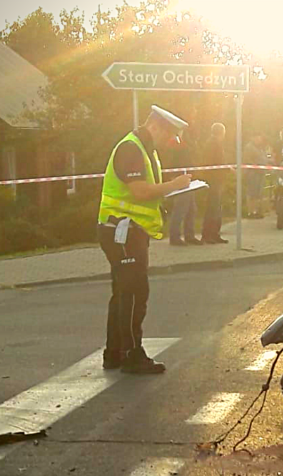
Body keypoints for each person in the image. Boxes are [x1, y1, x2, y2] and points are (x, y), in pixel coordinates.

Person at [98, 105, 190, 374]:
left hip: (126, 230)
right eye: (169, 136)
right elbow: (139, 192)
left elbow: (146, 192)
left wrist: (166, 192)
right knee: (134, 293)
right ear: (157, 127)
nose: (169, 142)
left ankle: (114, 352)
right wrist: (175, 186)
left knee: (123, 293)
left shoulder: (144, 150)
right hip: (122, 230)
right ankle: (131, 354)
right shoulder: (132, 149)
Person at [168, 139, 199, 246]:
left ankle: (189, 235)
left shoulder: (184, 145)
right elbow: (176, 162)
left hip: (188, 178)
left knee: (191, 209)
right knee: (180, 209)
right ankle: (174, 236)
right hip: (181, 178)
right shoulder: (177, 146)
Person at [201, 123, 228, 244]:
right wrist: (226, 169)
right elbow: (216, 162)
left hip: (216, 178)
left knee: (216, 208)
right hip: (214, 179)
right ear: (221, 132)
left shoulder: (213, 143)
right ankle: (208, 234)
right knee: (212, 207)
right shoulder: (213, 144)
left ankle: (214, 233)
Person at [244, 133, 266, 218]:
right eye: (257, 137)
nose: (259, 139)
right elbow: (247, 159)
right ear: (253, 137)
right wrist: (256, 166)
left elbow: (263, 157)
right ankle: (251, 212)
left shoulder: (260, 148)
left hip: (260, 173)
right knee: (251, 193)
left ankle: (256, 211)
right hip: (253, 173)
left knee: (258, 193)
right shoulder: (249, 147)